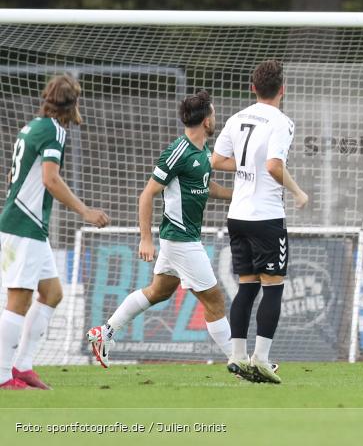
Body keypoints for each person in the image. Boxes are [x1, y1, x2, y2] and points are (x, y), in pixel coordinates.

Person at [87, 91, 234, 371]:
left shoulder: (202, 152)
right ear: (205, 120)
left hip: (181, 238)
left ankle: (105, 332)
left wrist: (235, 196)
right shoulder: (178, 151)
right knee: (214, 299)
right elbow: (147, 194)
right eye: (213, 114)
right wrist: (145, 238)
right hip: (180, 239)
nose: (215, 118)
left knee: (158, 291)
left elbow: (205, 186)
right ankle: (240, 361)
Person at [0, 75, 110, 390]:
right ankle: (2, 376)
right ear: (73, 104)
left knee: (52, 293)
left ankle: (22, 366)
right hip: (24, 224)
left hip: (26, 224)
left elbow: (16, 174)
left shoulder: (32, 126)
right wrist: (85, 211)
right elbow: (51, 179)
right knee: (18, 299)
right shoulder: (54, 131)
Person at [212, 60, 308, 384]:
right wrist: (297, 191)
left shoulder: (237, 117)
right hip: (266, 216)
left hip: (237, 216)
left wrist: (243, 168)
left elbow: (216, 159)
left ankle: (237, 357)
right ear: (283, 89)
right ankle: (262, 359)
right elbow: (273, 166)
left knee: (246, 287)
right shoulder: (282, 122)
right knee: (274, 289)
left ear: (253, 88)